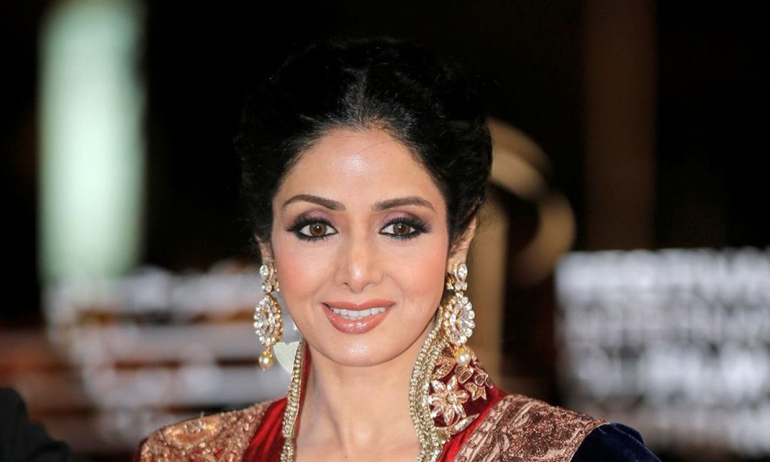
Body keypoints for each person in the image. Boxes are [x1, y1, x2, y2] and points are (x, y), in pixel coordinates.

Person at [137, 37, 660, 461]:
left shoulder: (579, 457)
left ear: (460, 240)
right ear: (266, 242)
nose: (357, 270)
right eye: (316, 228)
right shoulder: (185, 456)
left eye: (400, 227)